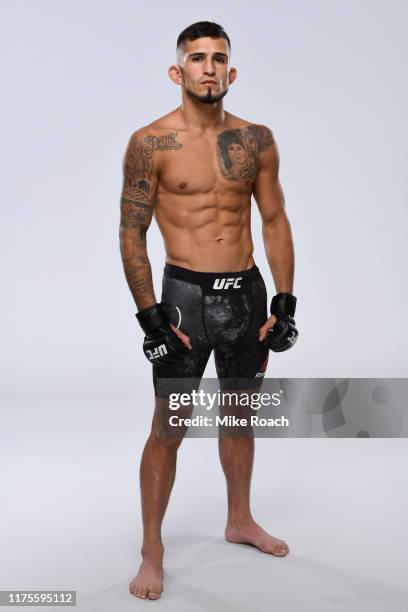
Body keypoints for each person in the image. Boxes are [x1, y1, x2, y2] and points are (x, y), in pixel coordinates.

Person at [119, 21, 298, 601]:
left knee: (240, 415)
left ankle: (239, 520)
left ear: (232, 72)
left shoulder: (257, 140)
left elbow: (273, 221)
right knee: (169, 428)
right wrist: (152, 317)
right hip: (185, 301)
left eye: (219, 58)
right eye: (197, 58)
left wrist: (285, 301)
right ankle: (153, 548)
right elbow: (131, 232)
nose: (209, 67)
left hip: (245, 296)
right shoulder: (151, 142)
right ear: (179, 71)